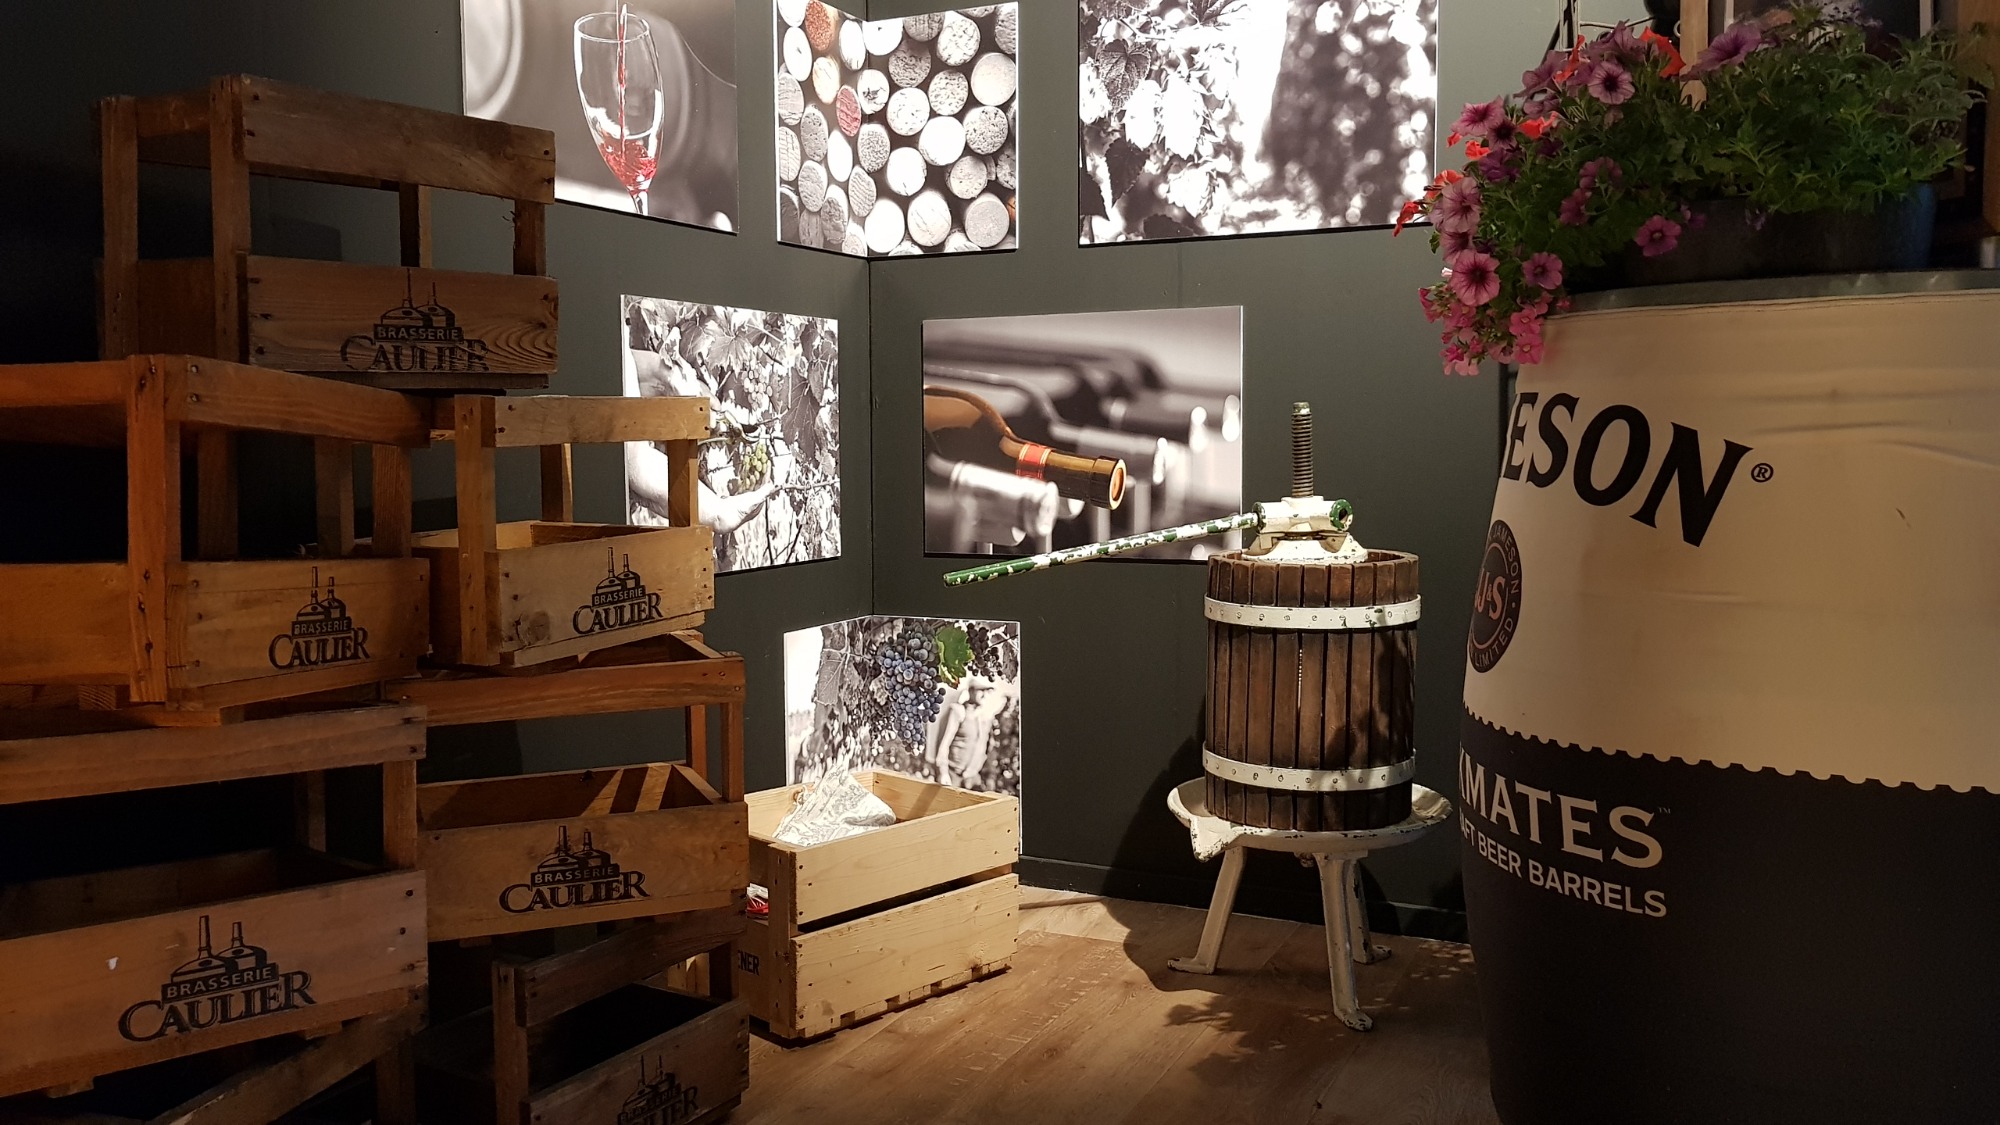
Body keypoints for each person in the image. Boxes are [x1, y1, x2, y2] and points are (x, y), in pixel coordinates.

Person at [931, 677, 1007, 789]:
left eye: (988, 691)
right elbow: (943, 743)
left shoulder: (985, 718)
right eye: (981, 690)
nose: (985, 695)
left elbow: (989, 749)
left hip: (972, 778)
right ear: (971, 691)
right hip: (952, 776)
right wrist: (943, 772)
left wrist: (990, 775)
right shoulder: (958, 711)